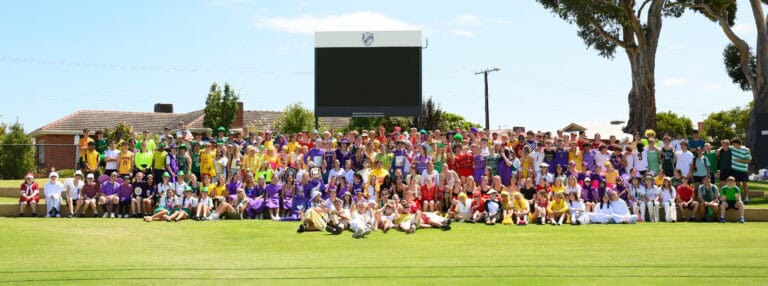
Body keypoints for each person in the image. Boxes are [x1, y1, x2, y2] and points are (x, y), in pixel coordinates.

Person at [729, 139, 752, 204]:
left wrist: (740, 160)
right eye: (732, 144)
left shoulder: (746, 150)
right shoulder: (732, 148)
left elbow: (749, 160)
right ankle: (738, 199)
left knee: (745, 184)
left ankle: (747, 198)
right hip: (735, 170)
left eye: (734, 144)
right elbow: (724, 146)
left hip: (743, 170)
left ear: (738, 143)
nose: (733, 145)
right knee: (737, 185)